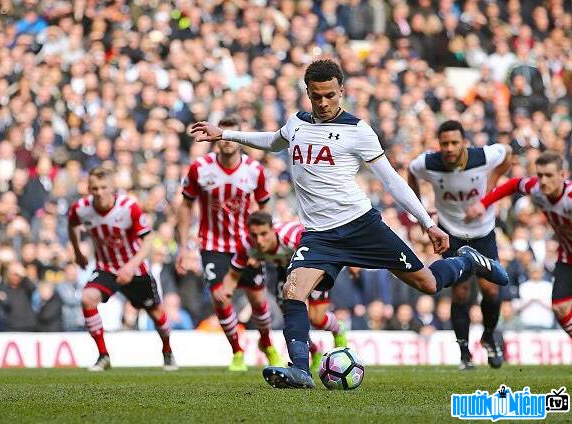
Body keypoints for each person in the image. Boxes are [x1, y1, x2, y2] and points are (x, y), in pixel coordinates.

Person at [191, 59, 509, 389]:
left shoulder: (358, 131)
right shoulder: (297, 123)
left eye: (330, 95)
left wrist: (428, 223)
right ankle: (300, 368)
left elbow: (392, 181)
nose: (324, 102)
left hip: (361, 226)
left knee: (428, 283)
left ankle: (468, 260)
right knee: (292, 292)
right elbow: (273, 141)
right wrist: (224, 134)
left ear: (341, 91)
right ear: (308, 93)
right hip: (318, 236)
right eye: (317, 96)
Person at [177, 117, 282, 371]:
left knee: (257, 300)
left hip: (247, 246)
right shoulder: (199, 168)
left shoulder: (254, 171)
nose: (225, 142)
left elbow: (264, 206)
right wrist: (183, 245)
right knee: (220, 297)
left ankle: (266, 343)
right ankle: (237, 350)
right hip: (213, 247)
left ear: (236, 137)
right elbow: (186, 205)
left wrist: (262, 245)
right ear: (215, 138)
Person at [408, 119, 512, 370]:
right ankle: (464, 352)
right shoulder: (428, 163)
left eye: (455, 142)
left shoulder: (482, 156)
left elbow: (507, 153)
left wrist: (491, 185)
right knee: (460, 291)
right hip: (452, 233)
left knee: (491, 290)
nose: (450, 148)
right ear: (439, 144)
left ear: (464, 142)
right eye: (445, 143)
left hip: (483, 232)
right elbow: (410, 172)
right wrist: (421, 210)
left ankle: (488, 335)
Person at [68, 166, 177, 372]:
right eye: (94, 188)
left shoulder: (129, 207)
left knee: (155, 313)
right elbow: (71, 224)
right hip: (106, 268)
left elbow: (148, 239)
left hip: (136, 270)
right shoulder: (81, 208)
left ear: (113, 188)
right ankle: (103, 355)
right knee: (87, 298)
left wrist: (131, 266)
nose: (99, 192)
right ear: (88, 188)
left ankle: (168, 350)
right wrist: (78, 252)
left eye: (103, 187)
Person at [221, 211, 347, 373]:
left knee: (316, 318)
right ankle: (314, 351)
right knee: (292, 319)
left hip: (313, 265)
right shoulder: (247, 246)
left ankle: (338, 329)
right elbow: (232, 275)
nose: (259, 240)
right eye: (254, 235)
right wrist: (224, 297)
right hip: (286, 272)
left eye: (264, 234)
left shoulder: (293, 236)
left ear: (273, 229)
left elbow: (320, 244)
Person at [466, 151, 572, 339]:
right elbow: (514, 184)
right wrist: (484, 203)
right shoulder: (537, 190)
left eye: (549, 175)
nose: (544, 180)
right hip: (567, 256)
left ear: (563, 176)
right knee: (560, 307)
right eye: (540, 175)